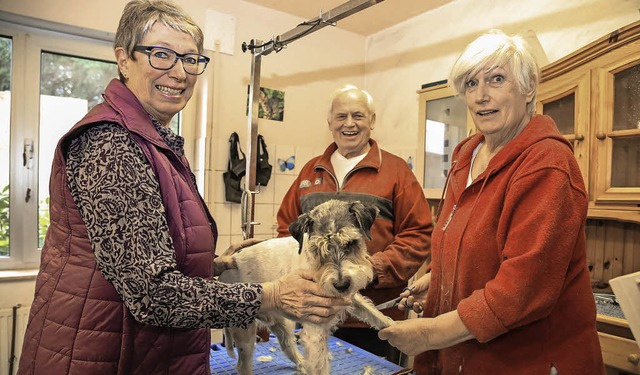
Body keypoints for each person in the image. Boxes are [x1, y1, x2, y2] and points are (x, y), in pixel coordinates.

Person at [17, 1, 349, 374]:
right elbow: (152, 293)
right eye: (161, 55)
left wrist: (215, 262)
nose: (179, 72)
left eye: (191, 60)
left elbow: (145, 249)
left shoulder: (151, 138)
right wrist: (271, 294)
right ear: (124, 60)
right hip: (106, 354)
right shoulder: (111, 143)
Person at [378, 30, 605, 374]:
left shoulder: (547, 164)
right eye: (471, 84)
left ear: (528, 88)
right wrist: (439, 281)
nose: (481, 96)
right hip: (464, 358)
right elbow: (465, 244)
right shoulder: (465, 156)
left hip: (529, 362)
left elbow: (520, 291)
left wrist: (430, 334)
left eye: (496, 79)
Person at [276, 84, 433, 362]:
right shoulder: (310, 170)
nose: (349, 124)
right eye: (341, 116)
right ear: (330, 123)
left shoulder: (396, 171)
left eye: (358, 116)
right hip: (315, 310)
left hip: (374, 318)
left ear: (372, 121)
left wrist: (373, 269)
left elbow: (418, 234)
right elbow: (286, 232)